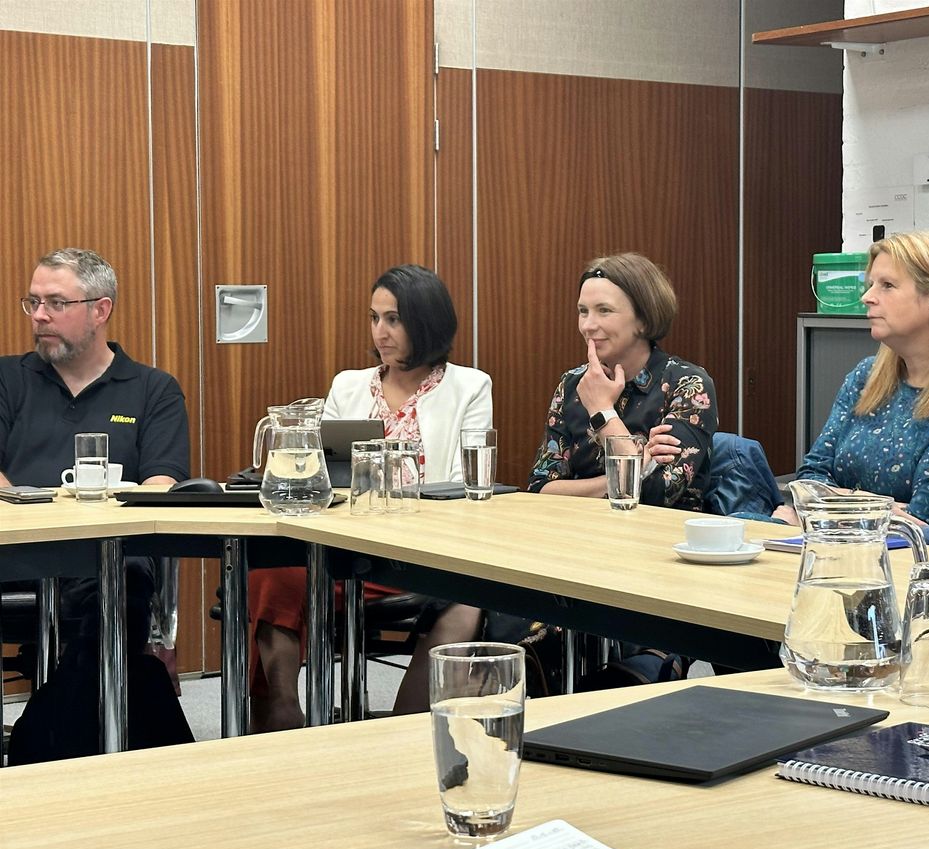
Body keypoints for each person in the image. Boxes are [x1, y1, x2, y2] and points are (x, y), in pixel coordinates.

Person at [248, 264, 492, 731]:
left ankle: (400, 733)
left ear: (427, 321)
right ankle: (279, 709)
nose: (381, 332)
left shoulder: (470, 386)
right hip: (344, 547)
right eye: (375, 318)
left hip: (420, 553)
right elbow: (324, 474)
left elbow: (463, 486)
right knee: (269, 572)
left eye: (394, 319)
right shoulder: (348, 384)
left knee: (466, 597)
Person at [1, 247, 192, 761]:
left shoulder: (153, 390)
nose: (39, 316)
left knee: (117, 590)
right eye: (33, 302)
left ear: (100, 309)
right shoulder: (7, 379)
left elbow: (160, 486)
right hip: (15, 559)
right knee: (127, 659)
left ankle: (39, 739)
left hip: (108, 565)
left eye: (56, 303)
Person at [775, 231, 929, 539]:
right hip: (837, 544)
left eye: (887, 285)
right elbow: (811, 476)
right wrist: (880, 507)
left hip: (919, 561)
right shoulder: (866, 376)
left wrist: (828, 506)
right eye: (871, 284)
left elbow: (921, 520)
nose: (867, 297)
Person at [528, 252, 718, 509]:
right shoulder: (573, 383)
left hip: (660, 531)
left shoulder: (687, 384)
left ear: (644, 320)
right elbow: (540, 488)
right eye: (583, 311)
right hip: (581, 529)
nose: (588, 326)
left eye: (604, 310)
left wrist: (602, 411)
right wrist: (630, 471)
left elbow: (658, 493)